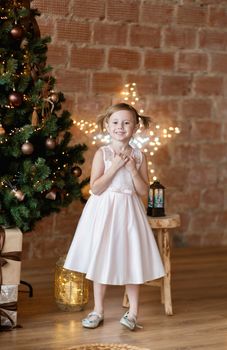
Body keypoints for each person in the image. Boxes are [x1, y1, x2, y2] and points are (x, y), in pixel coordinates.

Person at [64, 103, 165, 331]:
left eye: (127, 122)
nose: (121, 127)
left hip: (129, 210)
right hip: (105, 211)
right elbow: (96, 189)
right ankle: (98, 310)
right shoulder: (103, 153)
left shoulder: (139, 156)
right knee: (100, 257)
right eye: (116, 122)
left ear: (135, 127)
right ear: (107, 126)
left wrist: (131, 169)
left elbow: (143, 191)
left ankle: (133, 312)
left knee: (132, 258)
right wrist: (115, 166)